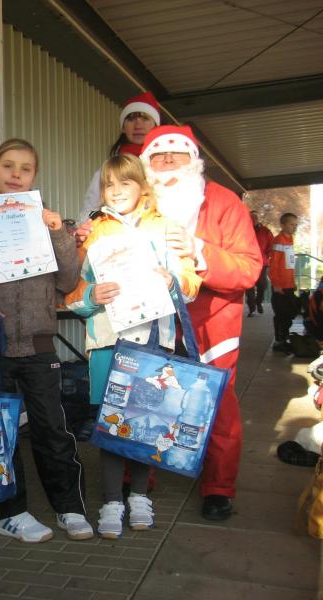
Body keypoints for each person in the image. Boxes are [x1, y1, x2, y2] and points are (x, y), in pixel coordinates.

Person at [0, 138, 90, 542]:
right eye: (8, 166)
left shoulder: (46, 220)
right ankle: (9, 512)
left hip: (39, 344)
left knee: (53, 430)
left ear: (34, 176)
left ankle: (69, 507)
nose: (16, 174)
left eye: (25, 168)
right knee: (1, 431)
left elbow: (68, 281)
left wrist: (59, 234)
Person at [65, 154, 201, 538]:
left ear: (143, 186)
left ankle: (139, 496)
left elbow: (191, 284)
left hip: (154, 343)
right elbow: (69, 293)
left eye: (125, 182)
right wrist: (90, 295)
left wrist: (173, 281)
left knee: (146, 423)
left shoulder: (166, 228)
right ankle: (111, 500)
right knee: (110, 425)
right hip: (108, 342)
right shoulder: (93, 232)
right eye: (109, 184)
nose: (117, 191)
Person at [138, 125, 261, 520]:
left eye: (177, 153)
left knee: (217, 406)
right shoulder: (135, 199)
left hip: (212, 322)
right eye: (158, 154)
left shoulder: (224, 202)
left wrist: (200, 251)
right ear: (146, 163)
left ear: (193, 160)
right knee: (145, 398)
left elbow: (249, 268)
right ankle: (137, 480)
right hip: (149, 319)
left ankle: (219, 487)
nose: (168, 161)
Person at [79, 92, 160, 222]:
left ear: (156, 125)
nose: (138, 125)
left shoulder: (165, 165)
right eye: (131, 119)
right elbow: (89, 210)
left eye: (145, 118)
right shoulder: (108, 168)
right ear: (123, 127)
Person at [268, 212, 299, 350]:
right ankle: (279, 341)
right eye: (292, 224)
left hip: (289, 284)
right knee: (281, 314)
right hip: (280, 286)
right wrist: (276, 284)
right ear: (282, 225)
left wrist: (293, 281)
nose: (295, 227)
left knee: (289, 313)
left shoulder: (290, 239)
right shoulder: (279, 240)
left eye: (296, 225)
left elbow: (289, 264)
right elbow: (273, 264)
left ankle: (284, 338)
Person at [245, 210, 273, 317]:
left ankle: (258, 301)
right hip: (247, 263)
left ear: (258, 219)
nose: (253, 220)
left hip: (262, 263)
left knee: (262, 285)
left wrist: (266, 256)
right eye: (251, 218)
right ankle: (252, 308)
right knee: (249, 286)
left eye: (255, 218)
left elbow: (271, 245)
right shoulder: (244, 230)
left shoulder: (265, 231)